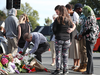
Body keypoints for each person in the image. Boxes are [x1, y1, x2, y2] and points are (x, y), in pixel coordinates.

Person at [52, 5, 76, 75]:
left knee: (58, 55)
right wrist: (70, 39)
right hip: (67, 39)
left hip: (59, 39)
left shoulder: (57, 19)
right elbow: (71, 30)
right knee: (65, 55)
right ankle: (65, 70)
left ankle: (58, 69)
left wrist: (57, 34)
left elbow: (54, 30)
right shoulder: (69, 19)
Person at [80, 5, 99, 74]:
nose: (83, 12)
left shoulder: (90, 18)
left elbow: (89, 29)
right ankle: (88, 70)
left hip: (89, 38)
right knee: (89, 54)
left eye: (84, 10)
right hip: (92, 38)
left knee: (89, 55)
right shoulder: (93, 17)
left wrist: (83, 34)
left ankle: (90, 71)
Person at [65, 4, 80, 70]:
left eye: (66, 10)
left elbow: (77, 24)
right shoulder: (68, 15)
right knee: (73, 48)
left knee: (77, 48)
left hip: (76, 33)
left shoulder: (75, 14)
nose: (66, 11)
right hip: (71, 33)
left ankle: (78, 64)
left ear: (69, 9)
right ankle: (74, 64)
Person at [73, 3, 88, 72]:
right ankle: (81, 64)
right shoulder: (79, 16)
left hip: (84, 36)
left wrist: (82, 34)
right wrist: (78, 34)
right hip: (80, 35)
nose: (75, 11)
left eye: (76, 9)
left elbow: (85, 26)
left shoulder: (85, 16)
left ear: (80, 8)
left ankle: (85, 65)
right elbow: (79, 27)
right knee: (81, 51)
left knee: (84, 50)